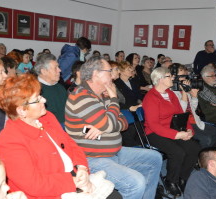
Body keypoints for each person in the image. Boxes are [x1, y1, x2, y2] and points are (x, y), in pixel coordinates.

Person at [0, 74, 120, 199]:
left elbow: (71, 144)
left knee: (115, 195)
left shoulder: (47, 117)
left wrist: (82, 167)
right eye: (37, 99)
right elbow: (34, 185)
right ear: (22, 110)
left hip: (74, 177)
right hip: (51, 192)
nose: (44, 100)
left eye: (40, 96)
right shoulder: (8, 141)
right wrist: (74, 182)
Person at [65, 56, 162, 199]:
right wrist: (113, 100)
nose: (113, 75)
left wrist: (105, 125)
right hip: (92, 159)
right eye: (109, 71)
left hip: (114, 152)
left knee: (155, 158)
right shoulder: (82, 96)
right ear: (95, 74)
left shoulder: (102, 95)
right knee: (135, 183)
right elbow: (109, 123)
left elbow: (122, 122)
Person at [142, 67, 201, 197]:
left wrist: (189, 131)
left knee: (194, 147)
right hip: (154, 133)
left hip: (172, 129)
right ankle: (171, 181)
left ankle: (182, 178)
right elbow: (153, 125)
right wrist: (177, 135)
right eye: (169, 76)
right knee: (177, 152)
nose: (173, 78)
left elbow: (181, 114)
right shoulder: (151, 97)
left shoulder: (170, 93)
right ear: (160, 79)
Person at [172, 64, 216, 148]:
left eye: (185, 76)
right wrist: (185, 92)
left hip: (195, 121)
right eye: (182, 76)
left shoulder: (184, 89)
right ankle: (202, 158)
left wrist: (194, 96)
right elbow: (181, 111)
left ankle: (211, 154)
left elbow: (193, 108)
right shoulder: (173, 92)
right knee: (206, 139)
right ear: (174, 77)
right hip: (185, 124)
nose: (184, 79)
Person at [34, 54, 67, 127]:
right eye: (55, 68)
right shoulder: (33, 89)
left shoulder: (60, 88)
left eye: (58, 67)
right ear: (44, 71)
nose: (59, 70)